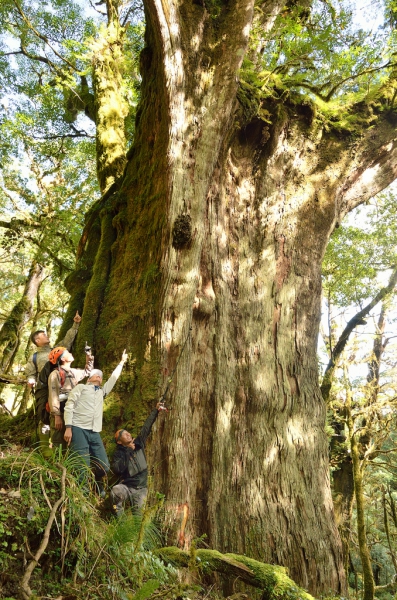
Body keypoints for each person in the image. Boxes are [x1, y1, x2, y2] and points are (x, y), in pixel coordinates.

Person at [63, 350, 128, 496]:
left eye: (100, 376)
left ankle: (98, 484)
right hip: (78, 428)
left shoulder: (101, 392)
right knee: (82, 465)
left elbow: (113, 379)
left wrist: (122, 362)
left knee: (104, 465)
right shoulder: (80, 388)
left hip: (94, 431)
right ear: (89, 378)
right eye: (95, 375)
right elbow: (69, 405)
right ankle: (83, 494)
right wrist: (68, 427)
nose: (99, 377)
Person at [111, 402, 166, 516]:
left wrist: (156, 410)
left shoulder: (138, 443)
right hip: (126, 487)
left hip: (141, 489)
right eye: (124, 434)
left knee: (138, 517)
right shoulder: (119, 453)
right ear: (119, 442)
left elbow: (147, 427)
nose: (128, 434)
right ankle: (121, 523)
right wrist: (128, 451)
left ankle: (134, 532)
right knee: (115, 492)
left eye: (128, 433)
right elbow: (117, 469)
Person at [47, 345, 94, 451]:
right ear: (63, 359)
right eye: (67, 353)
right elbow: (53, 395)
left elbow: (87, 372)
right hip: (60, 412)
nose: (71, 353)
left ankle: (69, 465)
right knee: (59, 442)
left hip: (72, 412)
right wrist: (57, 416)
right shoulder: (55, 374)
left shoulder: (73, 372)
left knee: (72, 441)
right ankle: (57, 465)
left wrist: (88, 358)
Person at [25, 311, 82, 386]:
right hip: (46, 388)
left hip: (64, 384)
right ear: (37, 340)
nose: (46, 336)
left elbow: (67, 340)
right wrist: (31, 380)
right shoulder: (34, 357)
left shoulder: (56, 350)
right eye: (43, 335)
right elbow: (31, 374)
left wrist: (76, 324)